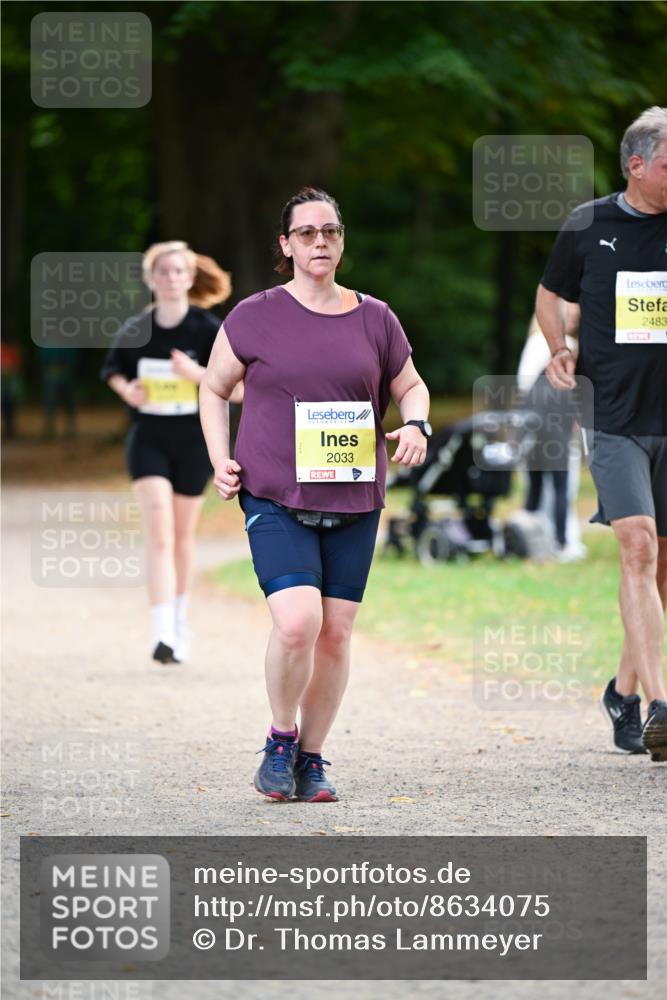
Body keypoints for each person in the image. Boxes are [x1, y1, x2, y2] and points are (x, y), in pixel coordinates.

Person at [200, 187, 430, 802]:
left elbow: (412, 386)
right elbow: (214, 388)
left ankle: (313, 757)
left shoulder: (376, 317)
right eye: (307, 233)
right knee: (299, 623)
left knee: (336, 633)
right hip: (275, 493)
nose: (320, 242)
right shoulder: (255, 314)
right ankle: (280, 738)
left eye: (330, 231)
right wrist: (220, 458)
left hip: (355, 497)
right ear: (287, 244)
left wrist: (416, 423)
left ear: (342, 239)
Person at [536, 106, 667, 761]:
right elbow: (547, 295)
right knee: (637, 548)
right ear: (636, 165)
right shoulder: (589, 223)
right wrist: (559, 347)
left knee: (660, 568)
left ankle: (621, 691)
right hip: (613, 415)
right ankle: (662, 707)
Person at [100, 241, 240, 664]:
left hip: (194, 440)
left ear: (190, 277)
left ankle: (179, 623)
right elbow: (112, 370)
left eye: (178, 271)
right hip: (149, 438)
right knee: (159, 532)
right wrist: (130, 391)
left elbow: (236, 387)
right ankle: (161, 633)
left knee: (181, 537)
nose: (171, 278)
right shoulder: (136, 329)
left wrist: (197, 374)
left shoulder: (208, 329)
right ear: (150, 279)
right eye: (162, 272)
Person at [517, 303, 585, 560]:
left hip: (533, 427)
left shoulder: (533, 344)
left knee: (535, 487)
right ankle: (562, 542)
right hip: (556, 428)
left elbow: (524, 386)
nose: (574, 323)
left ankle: (532, 540)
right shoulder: (564, 346)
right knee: (561, 487)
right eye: (570, 318)